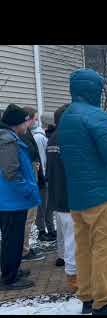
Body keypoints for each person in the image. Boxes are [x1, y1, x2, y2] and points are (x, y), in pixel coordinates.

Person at [58, 68, 107, 315]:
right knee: (103, 250)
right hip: (99, 195)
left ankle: (87, 297)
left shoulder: (66, 117)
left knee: (84, 248)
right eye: (100, 87)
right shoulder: (97, 116)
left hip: (77, 196)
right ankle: (102, 304)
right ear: (92, 89)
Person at [0, 104, 41, 290]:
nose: (28, 124)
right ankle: (9, 278)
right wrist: (28, 190)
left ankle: (12, 269)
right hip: (12, 201)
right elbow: (11, 173)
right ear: (17, 123)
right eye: (26, 121)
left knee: (12, 239)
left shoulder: (9, 138)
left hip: (11, 199)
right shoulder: (8, 142)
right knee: (12, 240)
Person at [47, 104, 77, 291]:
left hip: (57, 196)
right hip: (68, 197)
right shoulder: (67, 138)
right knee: (72, 239)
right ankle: (74, 278)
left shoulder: (52, 139)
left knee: (62, 236)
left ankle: (64, 260)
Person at [18, 109, 47, 262]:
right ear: (28, 119)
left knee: (29, 218)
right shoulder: (21, 136)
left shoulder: (26, 134)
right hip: (28, 182)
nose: (36, 122)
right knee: (28, 218)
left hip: (32, 180)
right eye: (34, 119)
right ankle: (23, 250)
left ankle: (25, 247)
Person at [26, 109, 56, 243]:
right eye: (35, 118)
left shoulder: (40, 136)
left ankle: (50, 229)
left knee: (48, 204)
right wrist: (44, 175)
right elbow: (42, 158)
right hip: (43, 176)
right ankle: (43, 230)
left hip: (44, 175)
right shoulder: (39, 137)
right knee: (43, 206)